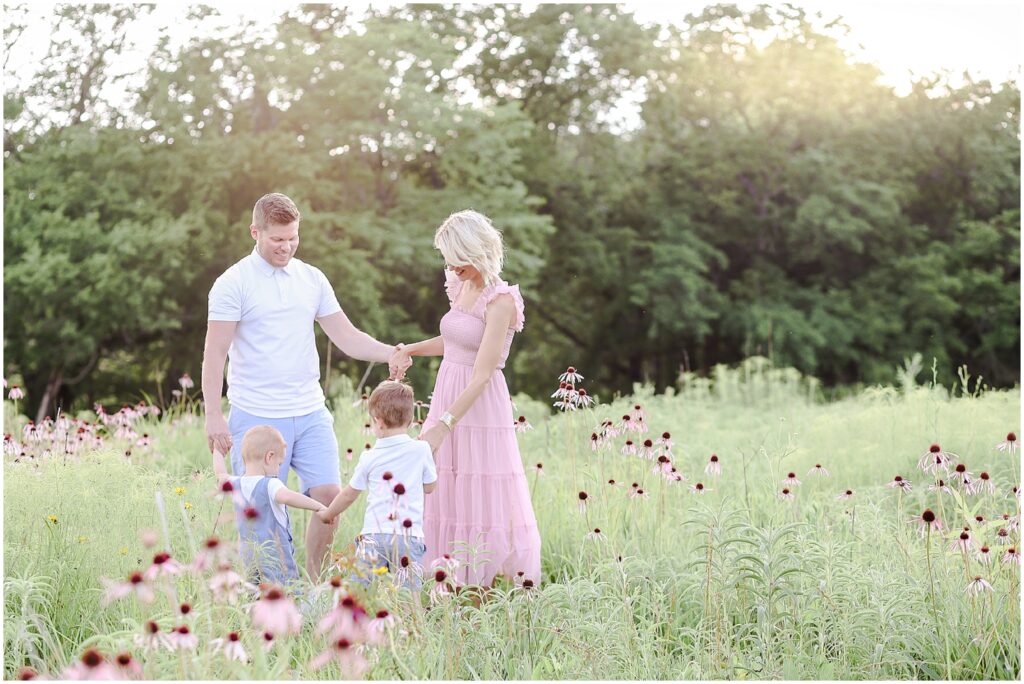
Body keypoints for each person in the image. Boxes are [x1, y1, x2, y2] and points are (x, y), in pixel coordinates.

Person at [202, 192, 411, 581]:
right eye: (277, 239)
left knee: (329, 500)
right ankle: (264, 593)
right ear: (255, 232)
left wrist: (389, 354)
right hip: (256, 414)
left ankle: (314, 588)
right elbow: (214, 353)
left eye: (293, 237)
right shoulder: (233, 283)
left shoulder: (312, 279)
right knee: (259, 513)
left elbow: (345, 336)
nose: (287, 246)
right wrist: (214, 414)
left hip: (311, 410)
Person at [392, 209, 541, 588]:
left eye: (458, 262)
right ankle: (448, 580)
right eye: (448, 262)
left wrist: (444, 424)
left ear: (478, 253)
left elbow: (482, 373)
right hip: (447, 390)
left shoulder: (501, 300)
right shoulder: (461, 286)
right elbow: (454, 340)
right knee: (444, 485)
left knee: (481, 488)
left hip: (477, 403)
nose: (451, 270)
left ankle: (481, 585)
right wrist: (410, 349)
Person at [317, 380, 437, 588]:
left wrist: (329, 513)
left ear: (378, 422)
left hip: (374, 536)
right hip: (408, 537)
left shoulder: (369, 457)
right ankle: (411, 620)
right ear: (410, 420)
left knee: (360, 591)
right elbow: (430, 487)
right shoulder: (422, 449)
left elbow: (348, 494)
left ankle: (354, 620)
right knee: (408, 594)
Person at [212, 425, 327, 587]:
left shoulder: (235, 483)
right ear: (269, 457)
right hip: (275, 559)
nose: (279, 469)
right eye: (279, 463)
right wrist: (319, 507)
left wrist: (217, 451)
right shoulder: (271, 484)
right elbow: (287, 496)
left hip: (248, 558)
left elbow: (220, 475)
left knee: (252, 596)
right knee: (285, 594)